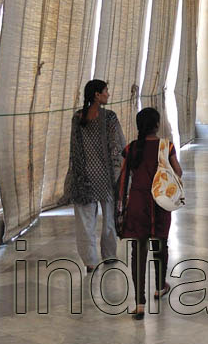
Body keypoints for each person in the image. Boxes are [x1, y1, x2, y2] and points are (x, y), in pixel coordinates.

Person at [115, 107, 181, 319]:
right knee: (160, 245)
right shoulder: (166, 146)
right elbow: (178, 172)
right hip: (160, 202)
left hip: (138, 203)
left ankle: (140, 303)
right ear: (156, 125)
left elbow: (123, 180)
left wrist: (120, 208)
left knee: (138, 251)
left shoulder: (131, 148)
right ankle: (160, 286)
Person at [65, 79, 125, 274]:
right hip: (107, 178)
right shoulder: (109, 118)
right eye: (106, 91)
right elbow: (118, 147)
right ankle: (108, 256)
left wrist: (76, 176)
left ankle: (90, 262)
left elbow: (74, 151)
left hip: (84, 178)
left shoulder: (78, 118)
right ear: (97, 95)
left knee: (85, 222)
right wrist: (121, 172)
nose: (108, 94)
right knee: (109, 219)